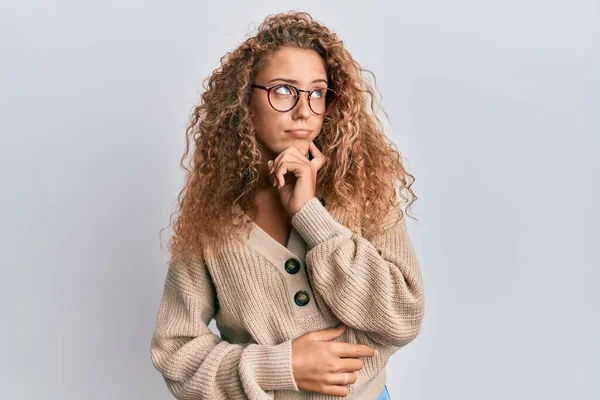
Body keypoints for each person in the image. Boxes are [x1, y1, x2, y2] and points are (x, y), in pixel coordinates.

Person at [150, 10, 424, 400]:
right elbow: (174, 353)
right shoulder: (212, 213)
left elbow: (402, 316)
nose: (303, 110)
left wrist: (311, 215)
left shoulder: (364, 188)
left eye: (317, 92)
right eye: (283, 90)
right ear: (244, 99)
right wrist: (283, 365)